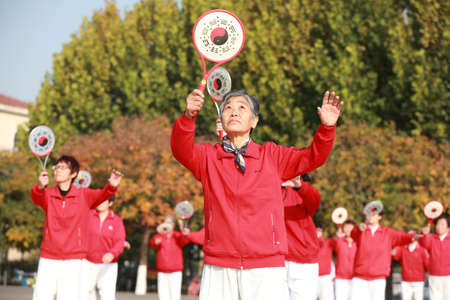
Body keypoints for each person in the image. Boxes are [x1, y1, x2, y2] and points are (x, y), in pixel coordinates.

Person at [171, 88, 343, 300]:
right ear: (221, 119)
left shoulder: (272, 156)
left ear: (254, 121)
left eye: (242, 108)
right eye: (228, 108)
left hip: (266, 265)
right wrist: (188, 116)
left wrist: (327, 128)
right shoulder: (208, 157)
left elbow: (313, 157)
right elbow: (181, 150)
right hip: (219, 263)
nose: (234, 112)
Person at [30, 155, 123, 300]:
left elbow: (102, 194)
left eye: (62, 167)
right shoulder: (48, 195)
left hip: (73, 260)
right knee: (41, 296)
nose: (57, 171)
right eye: (56, 167)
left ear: (73, 174)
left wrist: (112, 185)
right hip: (48, 257)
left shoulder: (84, 195)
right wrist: (40, 186)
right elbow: (36, 197)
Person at [350, 203, 417, 300]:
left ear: (380, 217)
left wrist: (414, 236)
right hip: (359, 278)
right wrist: (358, 229)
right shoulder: (360, 231)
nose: (371, 216)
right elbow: (353, 235)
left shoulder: (388, 233)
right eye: (369, 214)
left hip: (378, 278)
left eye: (374, 214)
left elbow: (403, 237)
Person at [282, 174, 321, 300]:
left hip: (302, 260)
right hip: (277, 260)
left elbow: (315, 201)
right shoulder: (269, 186)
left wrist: (299, 185)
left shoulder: (301, 189)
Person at [80, 196, 126, 300]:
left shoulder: (117, 221)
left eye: (103, 200)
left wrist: (112, 253)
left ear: (110, 203)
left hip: (109, 265)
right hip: (87, 262)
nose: (99, 202)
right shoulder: (88, 215)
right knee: (83, 294)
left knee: (107, 295)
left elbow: (119, 241)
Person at [149, 215, 190, 300]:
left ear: (173, 225)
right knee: (163, 296)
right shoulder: (159, 235)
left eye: (169, 223)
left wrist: (182, 227)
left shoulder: (177, 235)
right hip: (162, 272)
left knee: (175, 296)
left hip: (175, 272)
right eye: (166, 222)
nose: (167, 224)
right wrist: (155, 242)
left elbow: (185, 240)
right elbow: (152, 243)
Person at [419, 214, 450, 300]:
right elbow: (423, 243)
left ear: (448, 228)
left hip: (448, 276)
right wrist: (423, 234)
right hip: (434, 275)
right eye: (437, 224)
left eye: (442, 224)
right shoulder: (431, 238)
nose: (439, 226)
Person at [392, 231, 429, 300]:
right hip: (405, 281)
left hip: (418, 281)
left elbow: (427, 264)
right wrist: (398, 244)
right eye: (409, 235)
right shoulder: (403, 248)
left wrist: (428, 275)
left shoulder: (422, 250)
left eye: (413, 235)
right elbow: (395, 256)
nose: (411, 236)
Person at [332, 220, 357, 300]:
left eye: (350, 227)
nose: (348, 229)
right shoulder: (339, 240)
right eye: (346, 227)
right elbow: (332, 243)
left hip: (355, 278)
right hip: (340, 278)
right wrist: (337, 237)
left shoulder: (359, 241)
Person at [316, 225, 334, 300]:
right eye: (316, 230)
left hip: (325, 277)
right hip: (311, 277)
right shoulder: (308, 243)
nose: (317, 232)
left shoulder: (328, 242)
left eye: (319, 230)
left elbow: (337, 240)